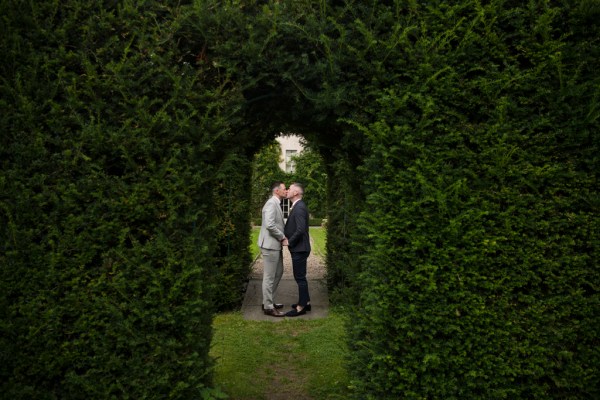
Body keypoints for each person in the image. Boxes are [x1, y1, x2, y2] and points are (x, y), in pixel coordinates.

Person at [258, 181, 288, 317]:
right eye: (284, 189)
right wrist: (282, 237)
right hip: (270, 245)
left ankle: (268, 301)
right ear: (277, 191)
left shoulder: (276, 203)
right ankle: (268, 307)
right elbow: (270, 225)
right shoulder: (271, 203)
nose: (286, 190)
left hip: (274, 246)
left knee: (279, 272)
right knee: (269, 277)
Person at [284, 182, 311, 317]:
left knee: (299, 278)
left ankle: (301, 307)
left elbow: (300, 229)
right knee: (301, 277)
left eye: (289, 189)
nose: (287, 191)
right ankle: (306, 301)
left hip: (300, 248)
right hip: (300, 248)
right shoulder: (298, 206)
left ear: (295, 193)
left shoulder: (299, 207)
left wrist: (289, 241)